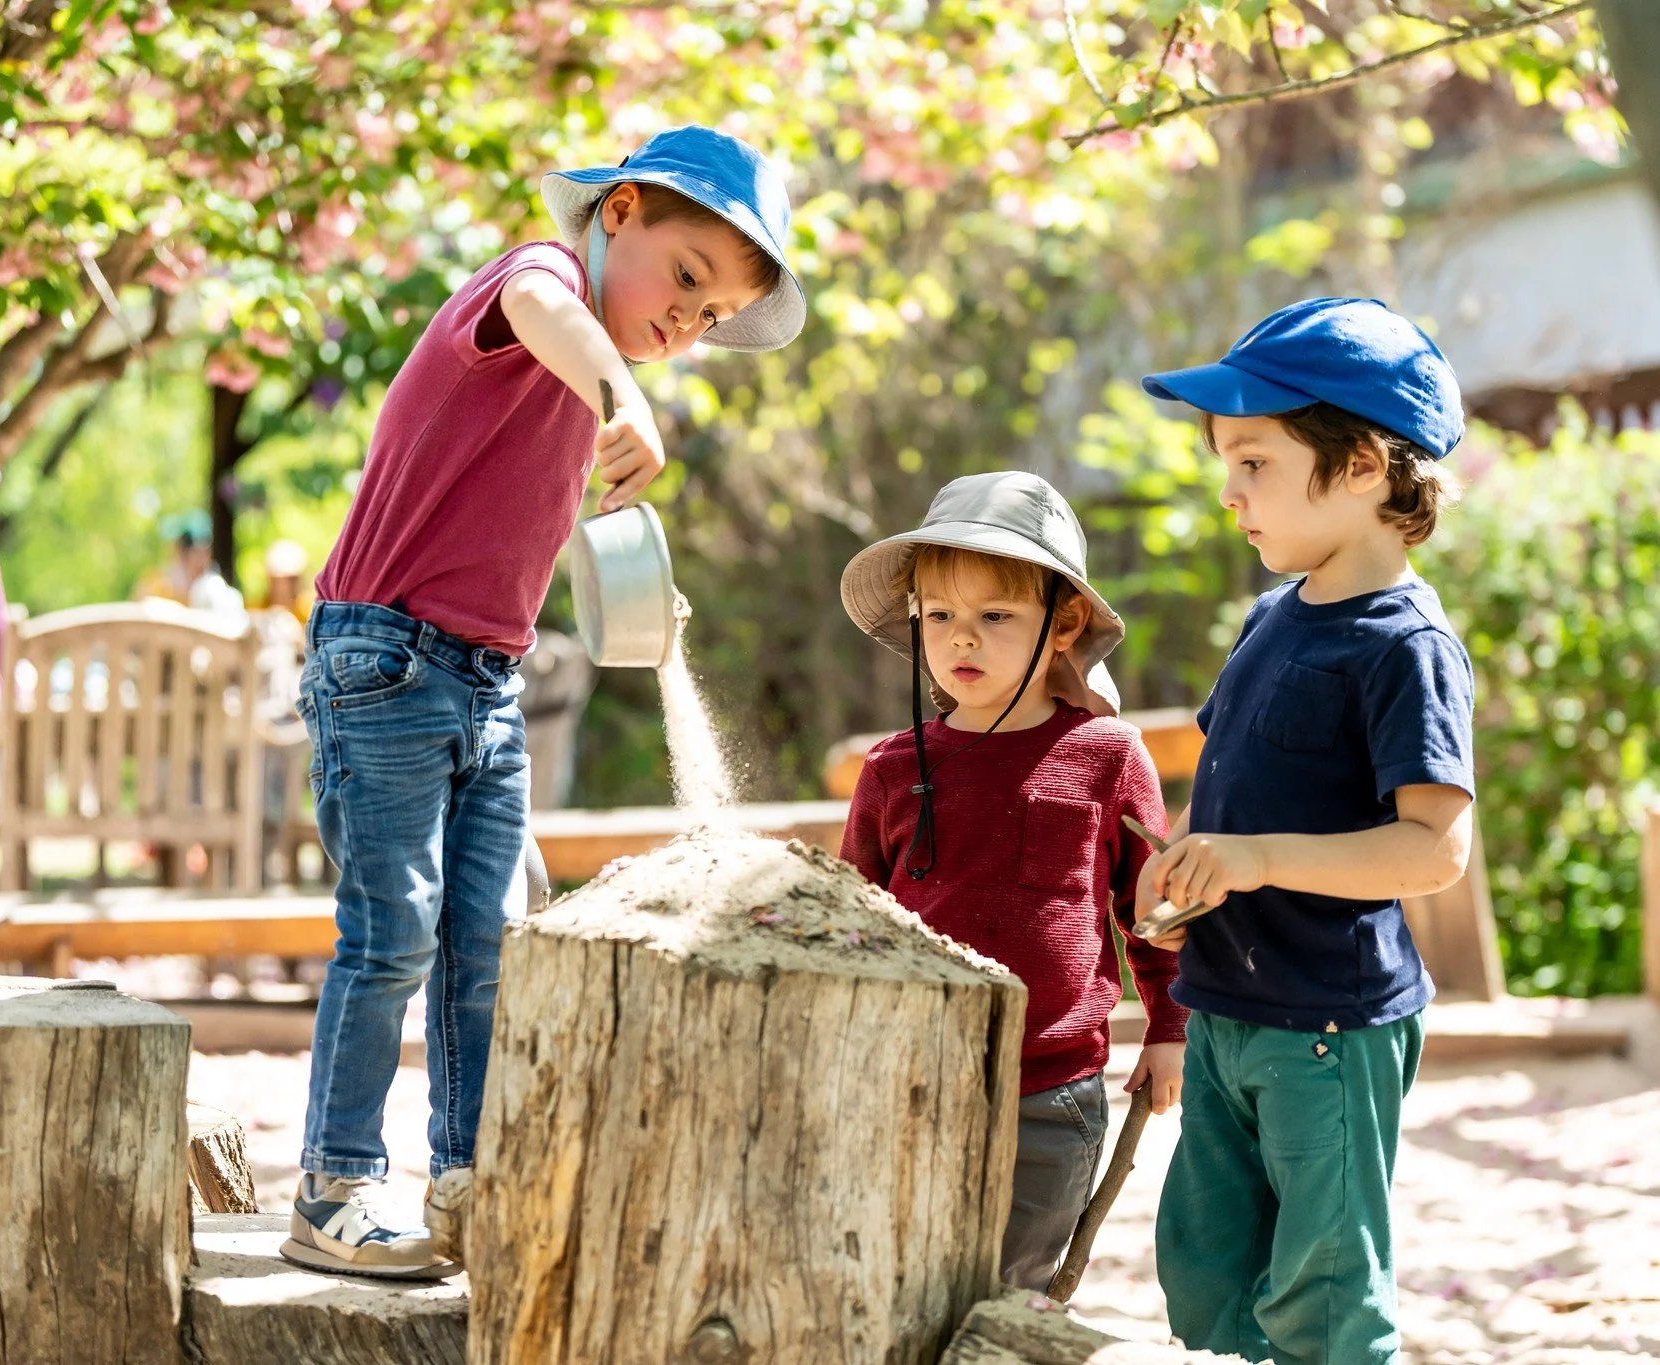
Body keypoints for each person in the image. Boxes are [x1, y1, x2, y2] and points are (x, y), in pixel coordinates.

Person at [283, 126, 806, 1280]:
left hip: (485, 677)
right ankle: (333, 1184)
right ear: (617, 211)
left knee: (494, 941)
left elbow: (523, 537)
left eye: (712, 316)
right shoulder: (546, 287)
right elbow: (539, 301)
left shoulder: (586, 388)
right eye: (686, 279)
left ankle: (470, 1180)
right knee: (393, 933)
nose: (689, 321)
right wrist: (622, 387)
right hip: (388, 660)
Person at [1134, 298, 1477, 1365]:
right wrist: (1184, 874)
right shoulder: (1267, 617)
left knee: (1321, 1299)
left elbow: (1433, 848)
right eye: (1223, 462)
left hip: (1327, 1027)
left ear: (1366, 464)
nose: (1227, 490)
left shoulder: (1405, 647)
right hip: (1228, 1010)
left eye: (1253, 460)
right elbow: (1228, 797)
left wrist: (1256, 862)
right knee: (1205, 1270)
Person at [837, 471, 1189, 1292]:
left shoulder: (1108, 755)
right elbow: (850, 923)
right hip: (913, 1080)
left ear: (1062, 623)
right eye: (943, 616)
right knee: (908, 1283)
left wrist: (1170, 1024)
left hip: (1052, 1090)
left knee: (1013, 1292)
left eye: (996, 617)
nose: (964, 638)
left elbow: (1157, 911)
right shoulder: (891, 768)